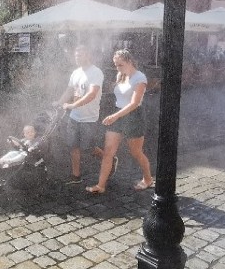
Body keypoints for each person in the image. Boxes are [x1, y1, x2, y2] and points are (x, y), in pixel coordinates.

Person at [86, 49, 153, 194]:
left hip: (134, 116)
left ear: (129, 61)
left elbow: (135, 103)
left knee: (136, 152)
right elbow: (119, 96)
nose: (117, 68)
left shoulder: (140, 78)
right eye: (115, 65)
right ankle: (100, 185)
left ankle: (148, 179)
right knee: (108, 151)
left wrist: (115, 116)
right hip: (118, 113)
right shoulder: (121, 75)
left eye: (120, 64)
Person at [57, 44, 112, 184]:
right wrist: (59, 102)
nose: (77, 58)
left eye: (80, 55)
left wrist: (72, 105)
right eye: (76, 55)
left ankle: (109, 159)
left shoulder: (96, 72)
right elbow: (69, 90)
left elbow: (92, 94)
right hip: (74, 117)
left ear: (88, 55)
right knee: (73, 146)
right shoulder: (75, 72)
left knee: (88, 148)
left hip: (89, 118)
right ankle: (76, 176)